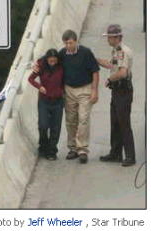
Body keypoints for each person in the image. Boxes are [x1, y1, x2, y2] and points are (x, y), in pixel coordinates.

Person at [33, 30, 100, 164]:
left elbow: (95, 71)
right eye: (66, 43)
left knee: (83, 118)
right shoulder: (62, 54)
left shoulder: (85, 53)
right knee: (70, 120)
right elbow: (47, 58)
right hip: (69, 90)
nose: (68, 45)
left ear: (76, 41)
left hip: (84, 89)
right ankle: (73, 148)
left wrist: (94, 90)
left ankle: (82, 149)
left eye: (70, 42)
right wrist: (36, 64)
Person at [97, 24, 136, 166]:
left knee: (124, 123)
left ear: (117, 37)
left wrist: (109, 79)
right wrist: (97, 60)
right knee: (115, 122)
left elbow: (122, 72)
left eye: (110, 37)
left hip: (123, 91)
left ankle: (130, 156)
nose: (108, 39)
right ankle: (115, 153)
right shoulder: (115, 51)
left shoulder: (122, 51)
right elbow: (112, 65)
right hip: (117, 91)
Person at [28, 49, 64, 160]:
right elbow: (31, 79)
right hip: (44, 101)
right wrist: (40, 87)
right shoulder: (41, 66)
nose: (52, 62)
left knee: (55, 127)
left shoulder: (62, 67)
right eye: (50, 60)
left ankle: (52, 150)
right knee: (43, 125)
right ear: (47, 59)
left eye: (54, 60)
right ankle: (43, 146)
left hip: (58, 101)